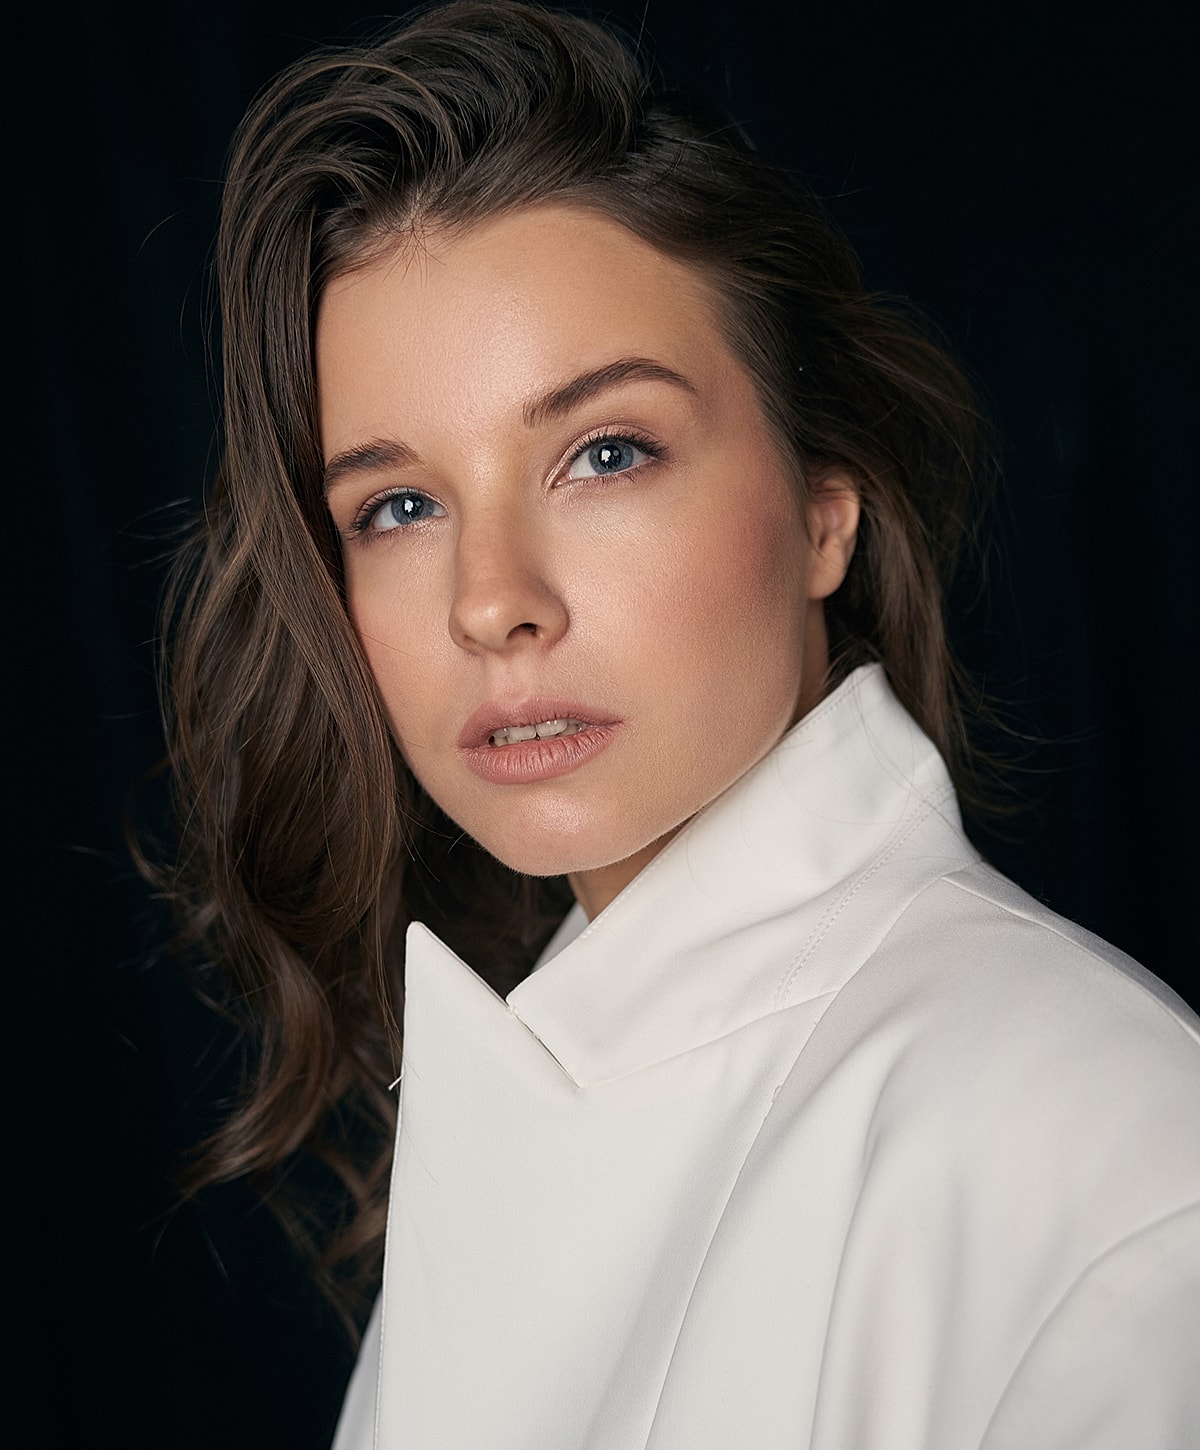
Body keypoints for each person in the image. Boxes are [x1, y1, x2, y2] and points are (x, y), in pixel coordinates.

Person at [158, 1, 1200, 1445]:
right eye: (397, 505)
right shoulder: (512, 1112)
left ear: (824, 507)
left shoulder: (1106, 1155)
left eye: (605, 452)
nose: (491, 601)